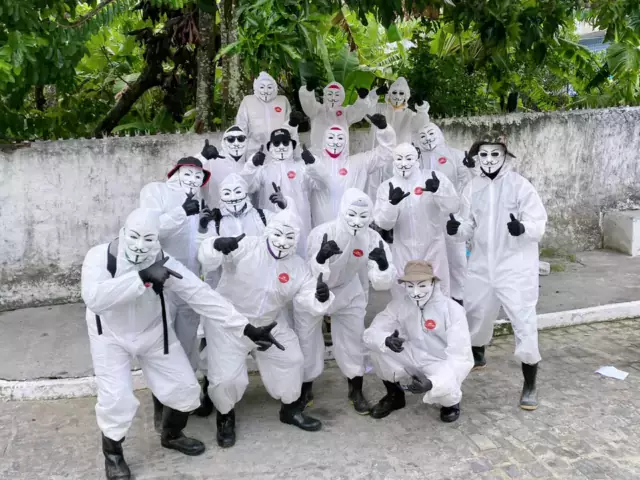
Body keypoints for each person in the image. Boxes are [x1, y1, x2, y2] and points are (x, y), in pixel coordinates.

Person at [81, 208, 281, 480]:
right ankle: (113, 455)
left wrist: (246, 328)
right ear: (123, 232)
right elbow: (94, 298)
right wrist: (141, 277)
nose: (140, 245)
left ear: (157, 239)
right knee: (116, 399)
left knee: (186, 389)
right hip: (110, 336)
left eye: (148, 239)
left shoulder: (165, 262)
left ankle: (171, 434)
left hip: (153, 333)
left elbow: (202, 295)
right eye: (134, 236)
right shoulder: (99, 257)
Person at [198, 209, 335, 448]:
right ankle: (225, 415)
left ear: (297, 238)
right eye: (279, 234)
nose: (282, 241)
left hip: (269, 324)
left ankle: (290, 409)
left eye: (290, 237)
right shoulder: (246, 246)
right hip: (229, 323)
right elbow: (207, 259)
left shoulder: (298, 266)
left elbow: (308, 295)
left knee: (292, 360)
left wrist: (320, 297)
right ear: (268, 231)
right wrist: (216, 245)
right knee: (226, 379)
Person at [446, 133, 547, 410]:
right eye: (484, 154)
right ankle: (477, 352)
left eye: (495, 154)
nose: (489, 160)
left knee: (523, 320)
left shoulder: (520, 186)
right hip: (481, 264)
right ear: (477, 157)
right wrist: (456, 230)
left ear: (505, 156)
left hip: (515, 267)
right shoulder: (472, 188)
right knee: (476, 312)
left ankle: (530, 382)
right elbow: (467, 225)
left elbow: (538, 221)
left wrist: (523, 228)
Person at [296, 188, 396, 415]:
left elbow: (382, 281)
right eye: (352, 214)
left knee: (353, 340)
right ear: (342, 210)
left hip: (348, 290)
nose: (357, 221)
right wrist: (321, 258)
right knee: (307, 340)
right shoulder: (322, 232)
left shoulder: (372, 238)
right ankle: (305, 388)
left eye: (363, 216)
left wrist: (382, 265)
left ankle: (355, 389)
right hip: (315, 290)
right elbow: (308, 269)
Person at [363, 260, 473, 423]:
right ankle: (395, 395)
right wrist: (385, 340)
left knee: (447, 392)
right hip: (411, 354)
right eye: (410, 286)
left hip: (439, 361)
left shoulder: (452, 310)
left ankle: (450, 404)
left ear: (433, 282)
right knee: (378, 349)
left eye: (422, 285)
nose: (416, 292)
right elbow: (372, 332)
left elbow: (460, 356)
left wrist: (433, 383)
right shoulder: (399, 305)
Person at [139, 156, 210, 375]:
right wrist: (181, 212)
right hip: (163, 279)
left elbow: (198, 244)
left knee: (188, 338)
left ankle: (188, 385)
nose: (192, 179)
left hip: (190, 279)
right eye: (187, 173)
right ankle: (163, 390)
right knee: (162, 339)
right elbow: (148, 230)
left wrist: (205, 227)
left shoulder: (201, 201)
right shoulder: (157, 192)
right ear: (175, 173)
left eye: (197, 176)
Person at [373, 143, 459, 297]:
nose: (404, 163)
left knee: (438, 294)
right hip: (403, 251)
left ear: (417, 159)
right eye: (399, 158)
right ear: (393, 160)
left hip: (433, 249)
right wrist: (392, 205)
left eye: (408, 158)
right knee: (403, 295)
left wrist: (439, 191)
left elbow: (453, 207)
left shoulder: (433, 178)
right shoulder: (387, 187)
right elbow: (384, 224)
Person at [241, 128, 327, 254]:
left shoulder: (302, 168)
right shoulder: (264, 170)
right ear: (270, 147)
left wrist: (313, 164)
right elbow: (246, 187)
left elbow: (322, 184)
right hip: (272, 221)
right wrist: (252, 165)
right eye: (276, 143)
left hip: (299, 221)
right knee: (272, 254)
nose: (281, 146)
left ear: (292, 145)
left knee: (300, 254)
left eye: (285, 143)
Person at [416, 122, 472, 305]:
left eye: (431, 133)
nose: (427, 139)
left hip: (452, 215)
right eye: (422, 136)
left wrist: (460, 207)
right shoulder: (417, 160)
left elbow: (467, 182)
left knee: (457, 257)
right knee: (431, 257)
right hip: (427, 216)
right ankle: (434, 295)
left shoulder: (456, 155)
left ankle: (460, 295)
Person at [309, 114, 395, 227]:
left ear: (346, 141)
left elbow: (385, 152)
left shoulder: (358, 163)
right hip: (321, 227)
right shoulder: (314, 164)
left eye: (340, 138)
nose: (335, 142)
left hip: (352, 226)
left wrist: (384, 129)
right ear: (324, 140)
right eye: (331, 137)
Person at [365, 77, 431, 200]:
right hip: (378, 156)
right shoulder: (379, 109)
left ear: (406, 96)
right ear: (389, 94)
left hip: (398, 160)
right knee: (373, 188)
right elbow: (366, 109)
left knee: (396, 190)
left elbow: (422, 124)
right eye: (394, 92)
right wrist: (374, 94)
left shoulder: (409, 114)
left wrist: (421, 107)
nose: (397, 96)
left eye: (401, 93)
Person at [298, 79, 370, 154]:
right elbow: (308, 104)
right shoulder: (317, 109)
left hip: (339, 154)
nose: (333, 97)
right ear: (325, 95)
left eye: (337, 95)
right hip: (318, 153)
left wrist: (362, 100)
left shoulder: (345, 112)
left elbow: (357, 111)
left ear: (342, 96)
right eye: (330, 94)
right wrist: (308, 91)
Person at [236, 71, 294, 157]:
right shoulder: (248, 101)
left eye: (269, 87)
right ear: (256, 87)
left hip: (280, 150)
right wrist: (239, 155)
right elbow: (241, 127)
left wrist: (294, 153)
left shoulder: (282, 101)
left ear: (274, 87)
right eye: (262, 87)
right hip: (254, 152)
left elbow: (290, 127)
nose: (266, 91)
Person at [198, 126, 249, 208]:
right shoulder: (212, 162)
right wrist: (202, 157)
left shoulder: (250, 163)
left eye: (241, 139)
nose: (236, 143)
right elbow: (188, 171)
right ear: (224, 141)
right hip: (215, 212)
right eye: (231, 139)